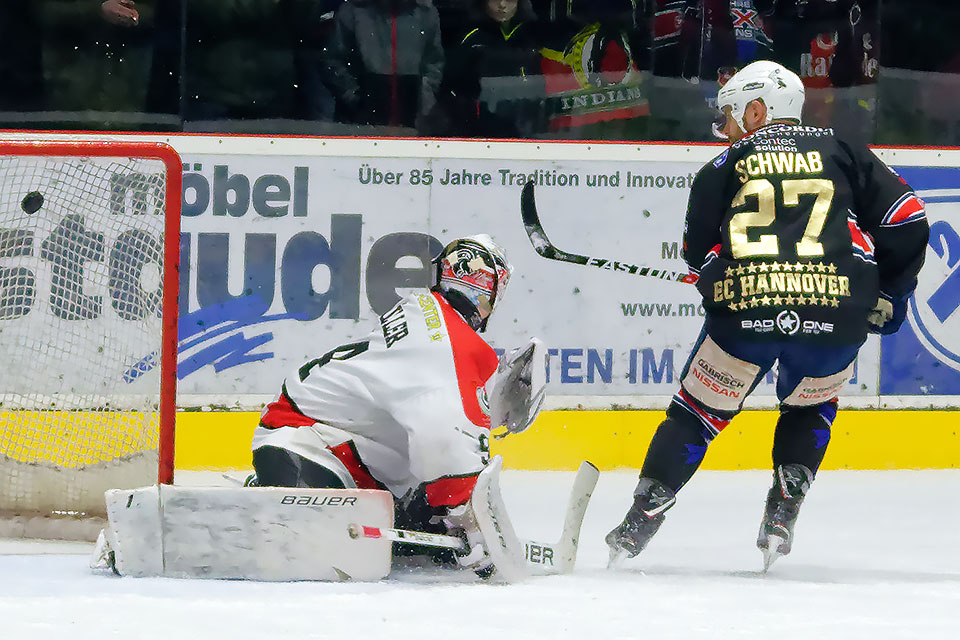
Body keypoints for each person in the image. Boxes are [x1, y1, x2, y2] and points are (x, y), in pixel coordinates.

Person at [605, 60, 930, 570]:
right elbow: (907, 218)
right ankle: (782, 514)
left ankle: (640, 520)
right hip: (835, 313)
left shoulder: (723, 165)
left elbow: (697, 253)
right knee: (807, 408)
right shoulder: (844, 150)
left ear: (758, 110)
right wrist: (893, 291)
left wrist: (715, 274)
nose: (726, 127)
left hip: (747, 313)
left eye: (732, 114)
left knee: (695, 416)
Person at [248, 234, 523, 578]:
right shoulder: (448, 342)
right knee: (348, 559)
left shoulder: (430, 318)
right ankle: (274, 499)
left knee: (418, 528)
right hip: (306, 447)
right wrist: (465, 519)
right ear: (487, 286)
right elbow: (444, 437)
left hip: (325, 442)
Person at [323, 0, 444, 130]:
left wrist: (423, 105)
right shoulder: (354, 11)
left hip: (412, 123)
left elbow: (433, 64)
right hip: (360, 124)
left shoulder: (426, 13)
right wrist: (355, 98)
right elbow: (334, 60)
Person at [438, 0, 542, 137]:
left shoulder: (532, 37)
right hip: (476, 134)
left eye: (510, 0)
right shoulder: (470, 39)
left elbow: (539, 87)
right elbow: (451, 90)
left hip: (526, 135)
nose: (502, 5)